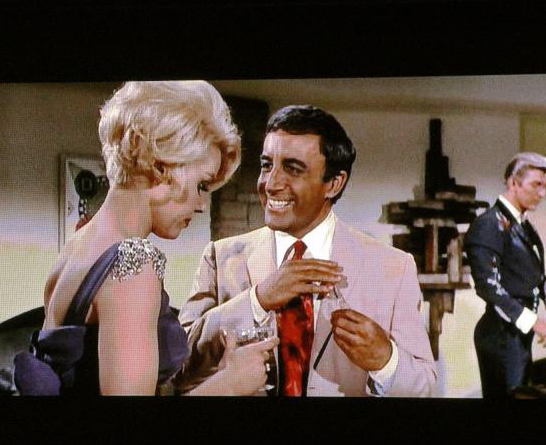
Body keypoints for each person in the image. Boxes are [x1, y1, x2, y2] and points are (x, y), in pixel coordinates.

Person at [175, 105, 436, 397]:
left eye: (293, 169)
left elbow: (423, 387)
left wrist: (385, 361)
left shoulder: (392, 268)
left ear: (334, 184)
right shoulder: (220, 257)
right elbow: (179, 368)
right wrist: (258, 300)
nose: (271, 184)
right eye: (266, 165)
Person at [41, 81, 278, 396]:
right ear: (161, 165)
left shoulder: (81, 241)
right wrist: (230, 385)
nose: (201, 205)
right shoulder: (133, 267)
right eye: (201, 185)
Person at [465, 152, 546, 398]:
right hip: (500, 336)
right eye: (536, 185)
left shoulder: (523, 226)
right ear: (513, 182)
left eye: (544, 186)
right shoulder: (489, 224)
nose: (542, 193)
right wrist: (535, 322)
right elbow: (488, 286)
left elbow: (537, 278)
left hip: (516, 335)